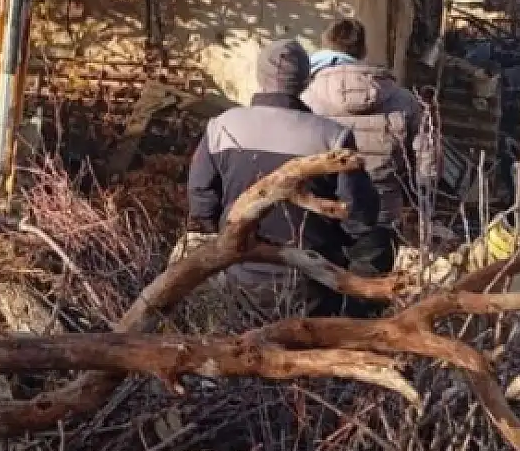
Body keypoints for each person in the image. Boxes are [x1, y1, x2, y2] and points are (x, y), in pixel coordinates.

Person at [187, 40, 382, 314]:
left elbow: (201, 203)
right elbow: (360, 216)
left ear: (258, 77)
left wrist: (226, 236)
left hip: (238, 274)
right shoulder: (333, 137)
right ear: (305, 81)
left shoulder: (221, 127)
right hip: (312, 279)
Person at [302, 18, 437, 262]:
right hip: (383, 211)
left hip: (323, 210)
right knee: (373, 286)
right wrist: (420, 200)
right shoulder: (402, 99)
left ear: (325, 46)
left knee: (323, 283)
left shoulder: (306, 97)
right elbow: (427, 156)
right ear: (363, 51)